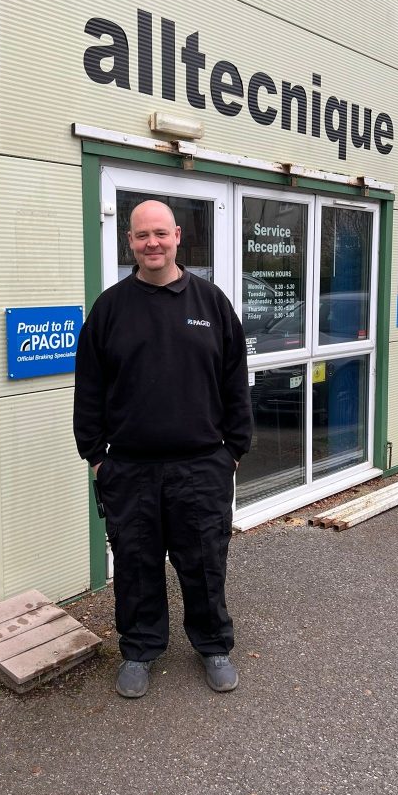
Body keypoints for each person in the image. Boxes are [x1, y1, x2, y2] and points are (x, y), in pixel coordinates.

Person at [73, 200, 252, 698]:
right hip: (130, 469)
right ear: (129, 242)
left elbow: (235, 382)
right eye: (141, 235)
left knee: (204, 561)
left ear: (177, 236)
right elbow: (89, 390)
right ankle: (139, 650)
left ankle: (213, 645)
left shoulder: (211, 304)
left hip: (202, 466)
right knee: (135, 565)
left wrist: (233, 451)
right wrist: (97, 458)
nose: (152, 243)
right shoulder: (110, 309)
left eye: (160, 233)